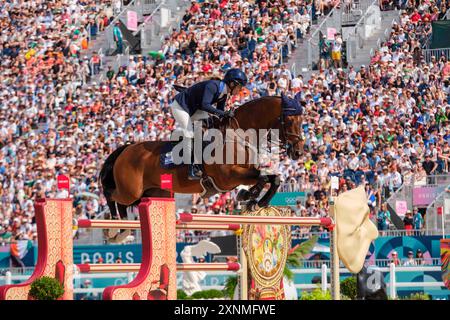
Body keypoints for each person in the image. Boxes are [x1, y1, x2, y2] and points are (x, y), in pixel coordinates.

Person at [170, 68, 247, 180]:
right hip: (180, 107)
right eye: (239, 87)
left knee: (208, 127)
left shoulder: (224, 93)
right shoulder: (213, 86)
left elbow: (219, 112)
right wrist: (224, 113)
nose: (240, 90)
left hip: (195, 109)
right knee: (190, 134)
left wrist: (227, 117)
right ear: (232, 83)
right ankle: (190, 168)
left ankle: (202, 160)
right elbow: (205, 105)